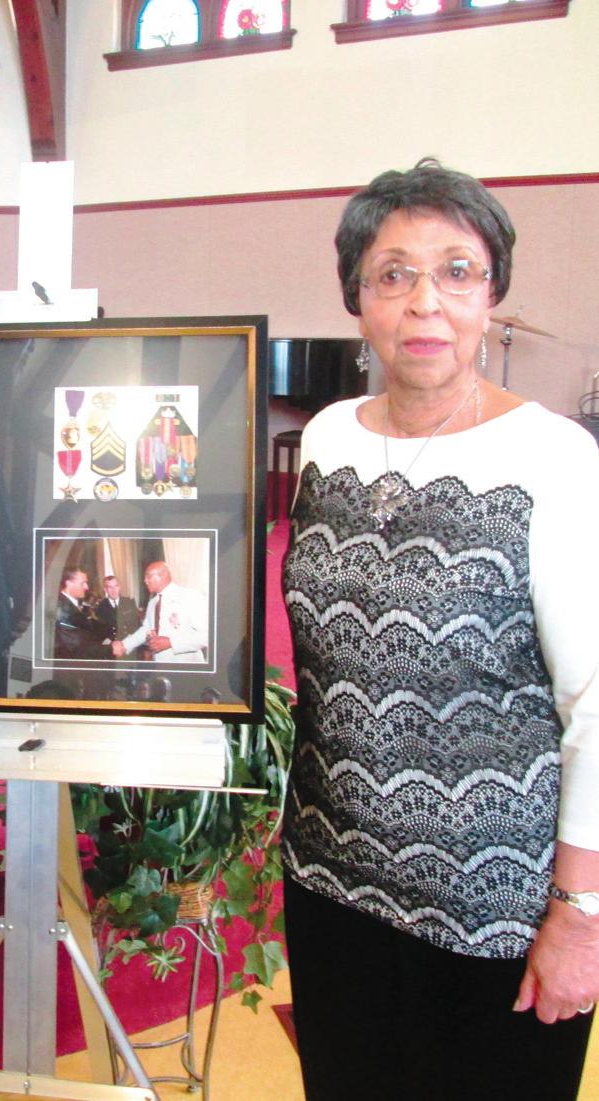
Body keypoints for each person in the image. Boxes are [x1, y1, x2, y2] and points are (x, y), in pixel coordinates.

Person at [281, 158, 599, 1100]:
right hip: (331, 880)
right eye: (394, 274)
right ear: (358, 298)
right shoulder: (329, 437)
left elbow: (595, 704)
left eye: (457, 271)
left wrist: (580, 914)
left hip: (496, 914)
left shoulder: (554, 456)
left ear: (492, 293)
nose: (427, 301)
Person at [113, 561, 206, 663]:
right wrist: (125, 645)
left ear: (163, 575)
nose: (145, 580)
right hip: (160, 665)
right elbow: (146, 629)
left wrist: (171, 643)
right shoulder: (153, 602)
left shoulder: (190, 597)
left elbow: (207, 636)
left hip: (186, 666)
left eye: (148, 576)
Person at [53, 568, 113, 661]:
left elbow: (89, 630)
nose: (87, 587)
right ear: (69, 584)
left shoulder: (76, 604)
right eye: (83, 583)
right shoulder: (61, 609)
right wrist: (110, 649)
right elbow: (76, 648)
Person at [93, 574, 143, 642]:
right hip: (114, 644)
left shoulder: (129, 603)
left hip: (132, 641)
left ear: (119, 587)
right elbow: (100, 632)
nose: (114, 590)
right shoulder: (100, 608)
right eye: (110, 587)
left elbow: (138, 625)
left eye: (116, 586)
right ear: (105, 589)